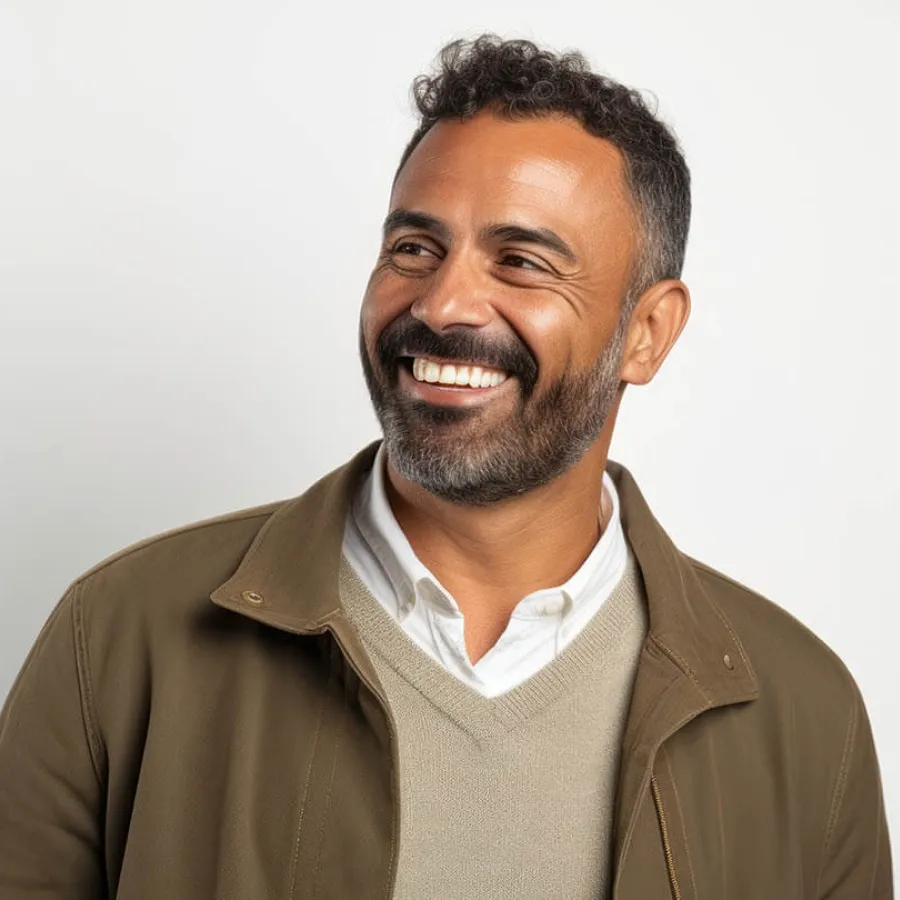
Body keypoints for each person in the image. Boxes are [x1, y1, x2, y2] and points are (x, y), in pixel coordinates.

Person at [0, 34, 891, 900]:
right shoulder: (117, 639)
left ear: (648, 333)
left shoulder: (802, 714)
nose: (444, 301)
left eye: (522, 261)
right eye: (414, 249)